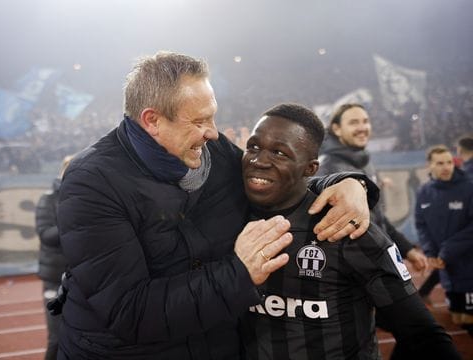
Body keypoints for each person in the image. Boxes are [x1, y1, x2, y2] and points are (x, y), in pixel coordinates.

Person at [55, 51, 377, 359]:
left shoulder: (214, 152)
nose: (212, 132)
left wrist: (347, 183)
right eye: (199, 121)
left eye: (213, 117)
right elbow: (130, 312)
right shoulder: (92, 183)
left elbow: (272, 183)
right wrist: (239, 272)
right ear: (152, 121)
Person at [240, 103, 460, 360]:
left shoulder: (346, 229)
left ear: (310, 168)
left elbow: (423, 334)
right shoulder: (230, 215)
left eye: (279, 152)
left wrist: (405, 247)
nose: (259, 160)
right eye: (253, 147)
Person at [317, 103, 428, 271]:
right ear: (337, 129)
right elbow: (346, 227)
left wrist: (407, 249)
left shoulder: (363, 163)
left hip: (372, 261)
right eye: (354, 122)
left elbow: (376, 217)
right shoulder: (329, 167)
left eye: (365, 121)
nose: (362, 127)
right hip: (353, 271)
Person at [415, 145, 473, 337]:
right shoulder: (424, 192)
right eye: (440, 163)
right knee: (458, 319)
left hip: (468, 265)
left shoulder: (469, 187)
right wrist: (431, 253)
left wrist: (446, 251)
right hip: (446, 268)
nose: (446, 167)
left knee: (469, 320)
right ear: (429, 166)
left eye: (449, 162)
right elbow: (421, 225)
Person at [35, 155, 74, 360]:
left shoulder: (86, 196)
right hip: (54, 277)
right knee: (57, 339)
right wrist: (73, 221)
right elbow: (46, 235)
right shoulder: (47, 199)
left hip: (81, 277)